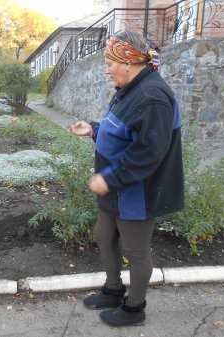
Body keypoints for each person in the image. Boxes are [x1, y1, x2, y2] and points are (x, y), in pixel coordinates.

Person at [69, 31, 184, 326]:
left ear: (128, 62)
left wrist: (110, 179)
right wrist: (93, 130)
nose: (106, 69)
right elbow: (122, 130)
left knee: (136, 251)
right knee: (104, 237)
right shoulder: (130, 88)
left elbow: (149, 153)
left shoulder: (153, 97)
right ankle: (113, 289)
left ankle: (135, 308)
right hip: (116, 188)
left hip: (136, 192)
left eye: (110, 62)